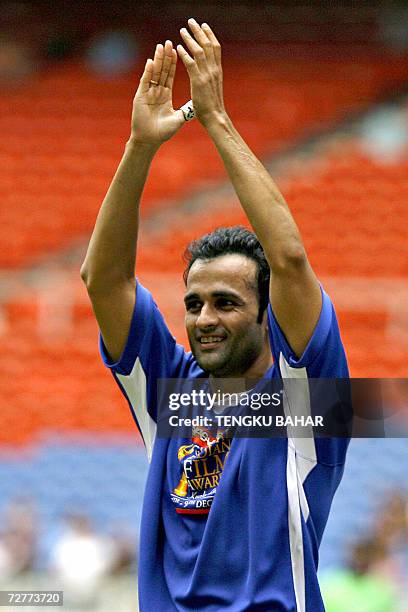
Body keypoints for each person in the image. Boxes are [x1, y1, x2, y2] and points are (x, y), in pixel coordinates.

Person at [81, 18, 349, 612]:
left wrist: (216, 120)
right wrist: (140, 147)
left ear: (266, 317)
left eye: (227, 302)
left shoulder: (309, 400)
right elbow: (104, 281)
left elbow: (291, 259)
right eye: (194, 303)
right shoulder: (171, 393)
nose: (204, 317)